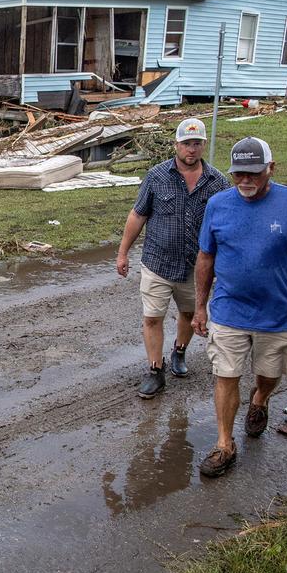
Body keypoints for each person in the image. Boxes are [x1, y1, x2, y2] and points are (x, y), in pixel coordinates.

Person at [192, 137, 287, 478]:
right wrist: (200, 308)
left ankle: (260, 400)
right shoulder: (218, 205)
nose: (245, 181)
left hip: (279, 314)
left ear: (271, 168)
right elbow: (205, 257)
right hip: (228, 311)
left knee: (269, 376)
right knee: (225, 374)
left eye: (253, 173)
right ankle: (225, 444)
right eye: (238, 174)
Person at [116, 118, 229, 399]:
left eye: (197, 144)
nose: (191, 149)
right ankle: (156, 371)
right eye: (186, 144)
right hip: (157, 263)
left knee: (190, 315)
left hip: (196, 267)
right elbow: (138, 214)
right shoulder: (157, 176)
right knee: (152, 317)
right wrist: (123, 252)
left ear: (203, 145)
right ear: (176, 145)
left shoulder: (218, 182)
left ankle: (179, 351)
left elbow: (228, 223)